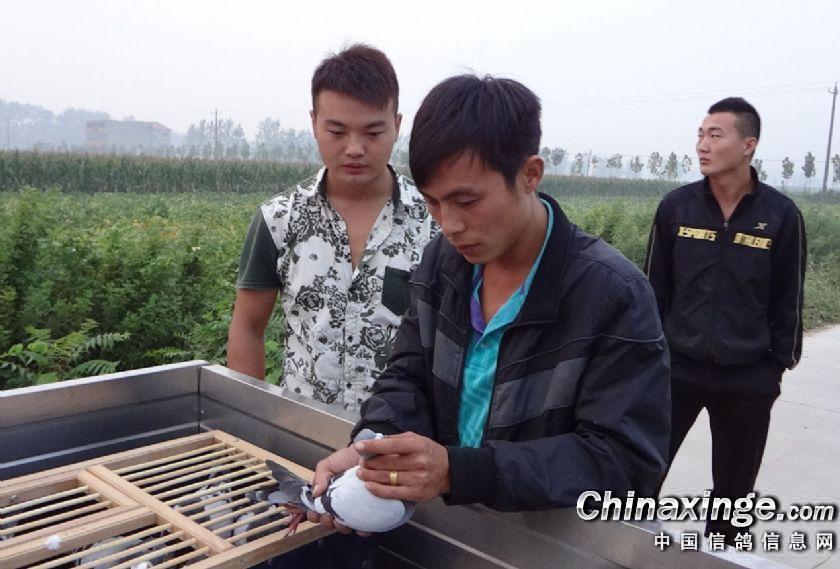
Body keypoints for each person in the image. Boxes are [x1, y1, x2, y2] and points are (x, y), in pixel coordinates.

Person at [308, 74, 670, 534]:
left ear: (530, 174)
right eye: (434, 203)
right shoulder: (444, 262)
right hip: (454, 528)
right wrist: (375, 445)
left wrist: (461, 472)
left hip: (549, 542)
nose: (450, 224)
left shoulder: (612, 294)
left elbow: (623, 460)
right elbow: (408, 374)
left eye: (467, 201)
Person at [227, 44, 436, 414]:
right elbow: (247, 327)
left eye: (373, 133)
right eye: (337, 131)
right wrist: (250, 420)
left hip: (402, 435)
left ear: (397, 125)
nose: (354, 148)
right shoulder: (279, 219)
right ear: (314, 122)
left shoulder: (435, 221)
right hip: (301, 429)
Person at [645, 97, 807, 543]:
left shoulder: (780, 215)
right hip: (676, 370)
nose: (702, 145)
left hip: (746, 378)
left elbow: (789, 298)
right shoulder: (676, 207)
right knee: (641, 475)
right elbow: (654, 289)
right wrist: (651, 358)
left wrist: (774, 368)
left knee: (733, 499)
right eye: (700, 134)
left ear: (748, 145)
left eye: (715, 135)